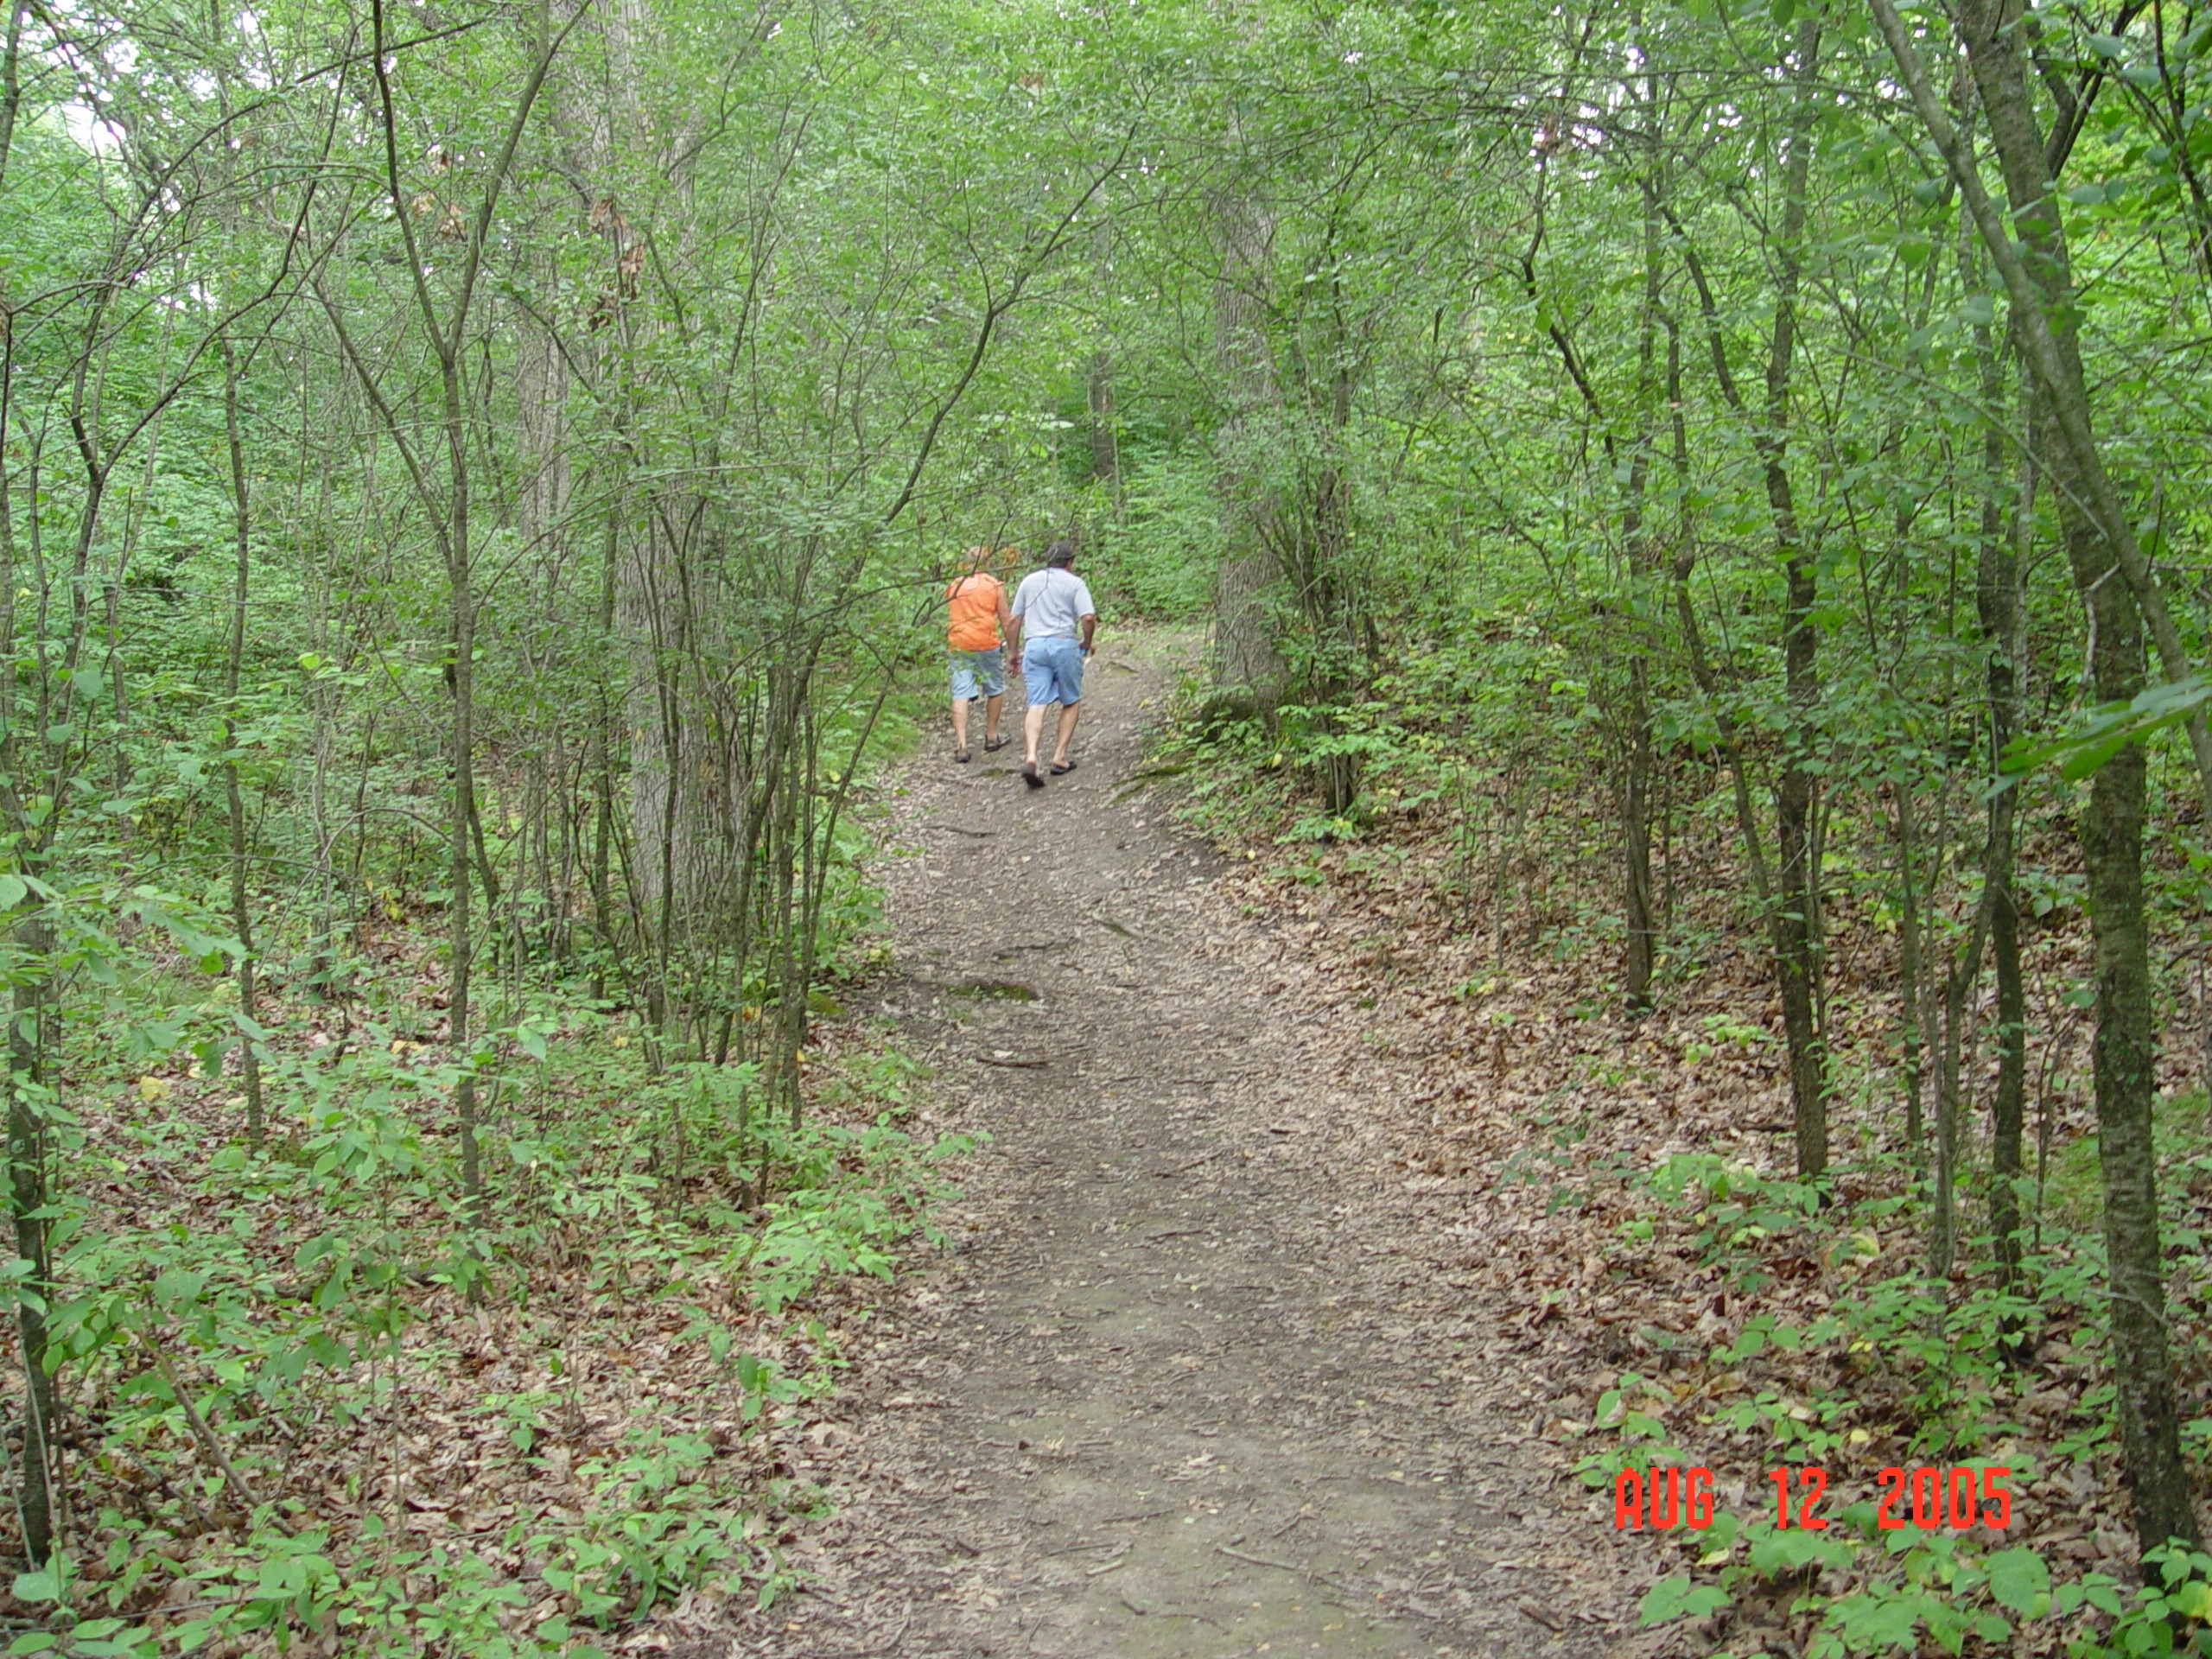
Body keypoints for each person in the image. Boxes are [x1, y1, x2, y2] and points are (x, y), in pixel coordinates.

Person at [1006, 539, 1096, 788]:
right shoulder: (1075, 583)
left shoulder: (1029, 581)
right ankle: (1059, 757)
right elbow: (1088, 617)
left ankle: (1031, 757)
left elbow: (1014, 621)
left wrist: (1013, 652)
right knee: (1071, 700)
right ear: (1070, 562)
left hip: (1034, 646)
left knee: (1036, 703)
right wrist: (1087, 642)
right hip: (1064, 644)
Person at [944, 545, 1014, 763]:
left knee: (960, 692)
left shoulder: (954, 585)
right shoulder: (994, 585)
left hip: (959, 643)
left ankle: (961, 745)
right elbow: (1006, 620)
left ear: (966, 562)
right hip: (986, 643)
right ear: (986, 562)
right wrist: (1013, 648)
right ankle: (991, 736)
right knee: (995, 688)